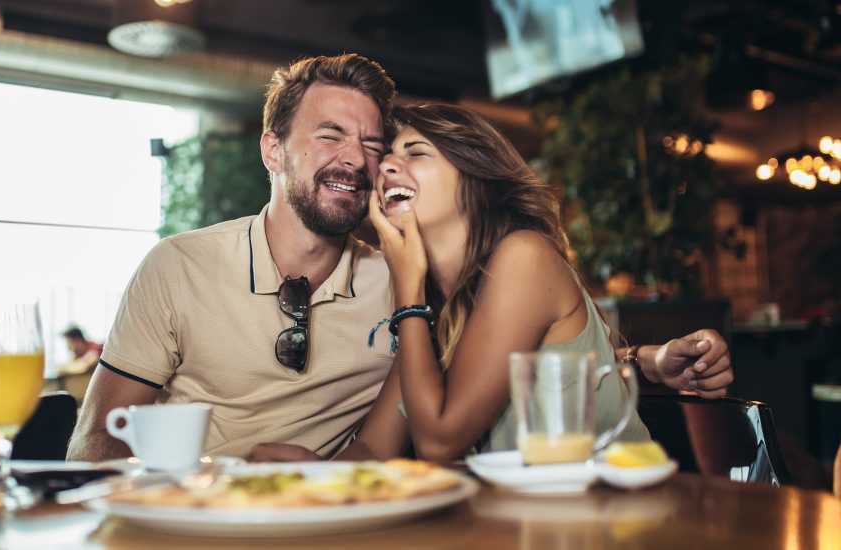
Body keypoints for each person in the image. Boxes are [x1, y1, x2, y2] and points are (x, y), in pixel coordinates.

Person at [67, 54, 732, 463]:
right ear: (273, 151)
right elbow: (379, 448)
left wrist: (646, 361)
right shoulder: (179, 267)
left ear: (471, 178)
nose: (367, 163)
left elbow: (465, 412)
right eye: (331, 135)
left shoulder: (412, 283)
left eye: (386, 148)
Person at [250, 103, 732, 462]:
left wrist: (407, 288)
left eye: (416, 153)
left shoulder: (522, 256)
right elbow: (377, 447)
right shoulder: (437, 309)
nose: (386, 167)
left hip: (615, 520)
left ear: (475, 181)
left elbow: (441, 440)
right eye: (389, 156)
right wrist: (309, 473)